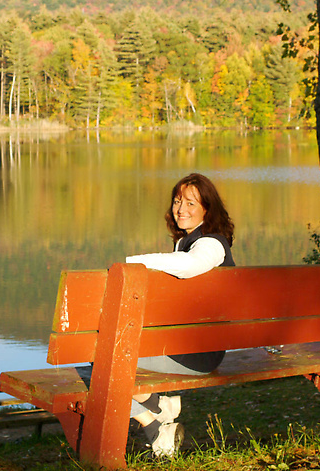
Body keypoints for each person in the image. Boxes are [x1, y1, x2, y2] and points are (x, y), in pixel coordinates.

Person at [124, 173, 235, 457]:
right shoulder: (188, 243)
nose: (181, 209)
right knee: (110, 353)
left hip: (199, 354)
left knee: (105, 356)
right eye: (177, 201)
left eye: (190, 203)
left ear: (207, 210)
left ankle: (154, 426)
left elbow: (188, 266)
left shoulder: (211, 244)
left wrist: (134, 262)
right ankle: (158, 405)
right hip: (189, 346)